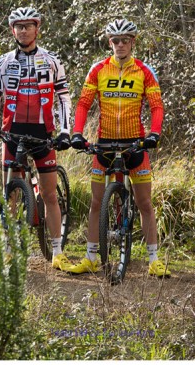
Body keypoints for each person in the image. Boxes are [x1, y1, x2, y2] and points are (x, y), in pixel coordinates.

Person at [67, 19, 169, 277]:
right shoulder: (98, 69)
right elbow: (83, 104)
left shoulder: (144, 71)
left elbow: (156, 106)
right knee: (96, 202)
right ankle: (91, 258)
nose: (120, 44)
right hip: (104, 144)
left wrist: (154, 133)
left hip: (135, 144)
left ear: (133, 42)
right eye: (115, 40)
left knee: (144, 202)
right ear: (109, 42)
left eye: (125, 40)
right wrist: (77, 132)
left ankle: (154, 260)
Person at [0, 6, 73, 271]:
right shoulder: (3, 61)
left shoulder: (51, 60)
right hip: (12, 133)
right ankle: (8, 249)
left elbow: (63, 97)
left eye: (28, 26)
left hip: (43, 133)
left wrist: (65, 130)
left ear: (37, 29)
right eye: (19, 26)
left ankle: (57, 252)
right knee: (10, 194)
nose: (24, 31)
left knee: (49, 194)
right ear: (13, 30)